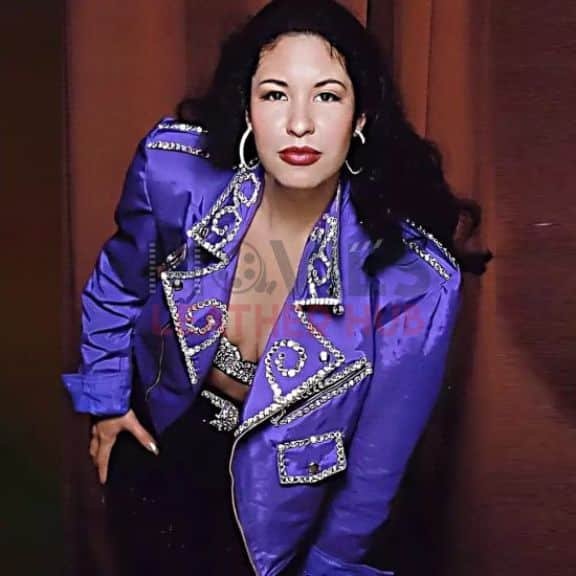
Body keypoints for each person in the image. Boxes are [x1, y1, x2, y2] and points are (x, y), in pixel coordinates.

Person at [63, 1, 489, 574]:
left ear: (361, 117)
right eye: (275, 94)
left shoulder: (413, 278)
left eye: (328, 96)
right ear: (247, 107)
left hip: (286, 511)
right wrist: (106, 402)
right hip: (160, 450)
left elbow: (375, 469)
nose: (299, 123)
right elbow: (118, 284)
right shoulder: (175, 175)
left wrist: (329, 564)